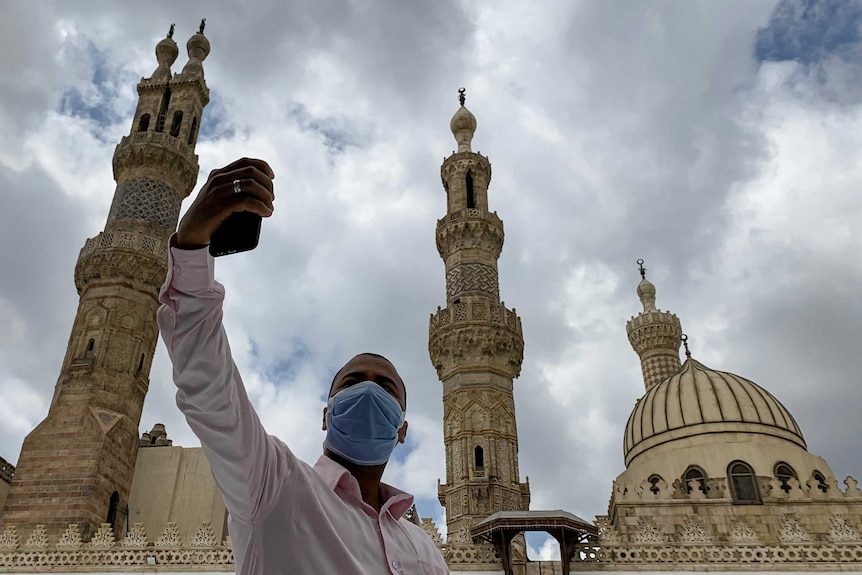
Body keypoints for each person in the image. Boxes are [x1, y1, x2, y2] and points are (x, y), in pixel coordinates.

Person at [157, 158, 449, 574]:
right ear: (327, 414)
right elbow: (208, 384)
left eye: (386, 387)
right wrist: (190, 246)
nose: (369, 390)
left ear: (402, 430)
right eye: (353, 381)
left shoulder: (424, 550)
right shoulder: (274, 486)